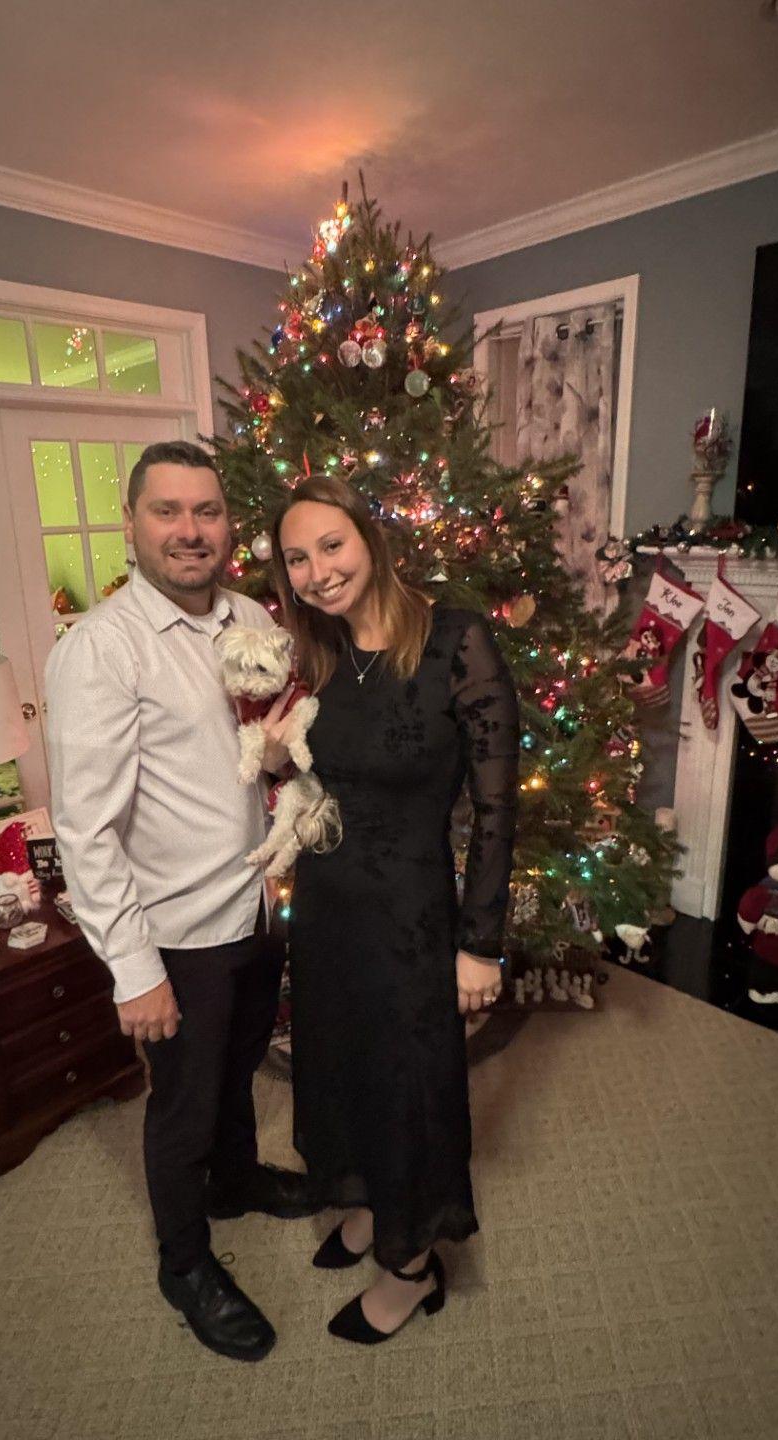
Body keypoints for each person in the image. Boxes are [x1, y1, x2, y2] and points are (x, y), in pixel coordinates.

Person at [45, 440, 317, 1364]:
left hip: (256, 904)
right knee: (185, 1105)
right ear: (131, 524)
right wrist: (134, 972)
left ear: (228, 524)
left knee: (238, 1072)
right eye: (168, 511)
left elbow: (262, 748)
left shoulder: (251, 615)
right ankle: (185, 1263)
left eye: (207, 511)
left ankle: (235, 1183)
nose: (190, 530)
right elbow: (85, 830)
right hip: (177, 935)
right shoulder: (101, 649)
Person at [264, 475, 519, 1344]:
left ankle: (412, 1268)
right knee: (340, 1065)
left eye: (330, 545)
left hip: (411, 914)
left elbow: (496, 808)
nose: (317, 571)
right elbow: (308, 777)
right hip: (326, 907)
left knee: (410, 1086)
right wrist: (274, 762)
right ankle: (367, 1201)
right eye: (297, 558)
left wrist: (480, 944)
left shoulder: (456, 640)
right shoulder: (319, 655)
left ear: (369, 540)